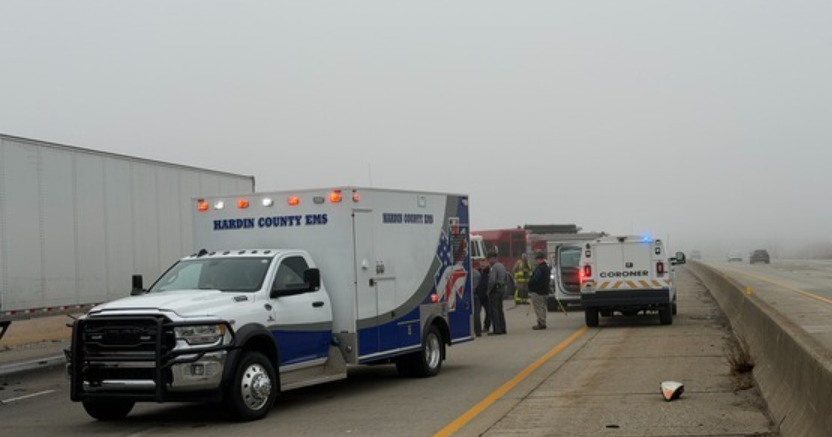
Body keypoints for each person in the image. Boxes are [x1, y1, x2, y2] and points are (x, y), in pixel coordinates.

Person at [528, 252, 552, 330]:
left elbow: (535, 279)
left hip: (537, 291)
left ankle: (541, 323)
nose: (536, 261)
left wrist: (530, 282)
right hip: (545, 290)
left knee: (538, 307)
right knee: (542, 307)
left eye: (537, 259)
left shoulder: (539, 268)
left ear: (540, 259)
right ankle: (542, 321)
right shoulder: (547, 268)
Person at [486, 252, 508, 335]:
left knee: (494, 310)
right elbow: (506, 278)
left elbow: (492, 280)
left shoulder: (494, 267)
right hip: (501, 289)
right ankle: (503, 328)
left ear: (493, 258)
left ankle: (497, 329)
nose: (488, 261)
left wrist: (488, 290)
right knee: (500, 310)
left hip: (495, 291)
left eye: (489, 259)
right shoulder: (502, 266)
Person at [473, 265, 491, 336]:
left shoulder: (475, 273)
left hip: (478, 295)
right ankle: (482, 329)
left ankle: (478, 330)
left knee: (476, 314)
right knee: (487, 311)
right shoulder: (478, 273)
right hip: (482, 295)